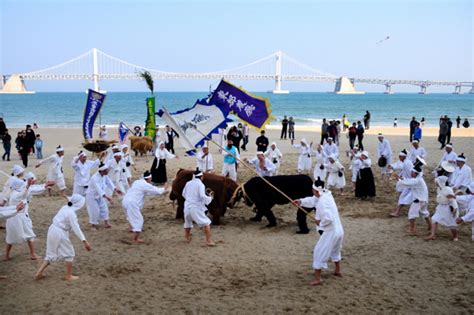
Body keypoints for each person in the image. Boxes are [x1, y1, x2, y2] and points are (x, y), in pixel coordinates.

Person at [294, 182, 343, 286]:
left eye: (313, 190)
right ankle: (337, 270)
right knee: (335, 250)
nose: (312, 191)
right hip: (339, 230)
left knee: (319, 251)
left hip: (331, 231)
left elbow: (328, 218)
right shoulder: (326, 194)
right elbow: (313, 200)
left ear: (316, 191)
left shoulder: (322, 202)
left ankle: (318, 278)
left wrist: (320, 222)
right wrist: (301, 201)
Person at [35, 194, 92, 281]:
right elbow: (76, 228)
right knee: (70, 253)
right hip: (60, 232)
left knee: (50, 253)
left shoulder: (64, 207)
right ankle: (69, 276)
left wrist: (66, 195)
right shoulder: (71, 214)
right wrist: (84, 241)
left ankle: (39, 272)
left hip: (52, 229)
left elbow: (70, 200)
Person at [4, 174, 53, 261]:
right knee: (26, 236)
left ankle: (8, 255)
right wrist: (27, 185)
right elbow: (23, 194)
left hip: (16, 218)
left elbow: (32, 189)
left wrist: (44, 185)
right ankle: (32, 254)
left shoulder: (14, 192)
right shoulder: (16, 194)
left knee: (13, 237)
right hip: (18, 218)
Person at [122, 171, 168, 243]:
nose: (151, 179)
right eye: (151, 178)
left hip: (125, 200)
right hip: (132, 203)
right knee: (139, 220)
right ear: (149, 178)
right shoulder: (145, 185)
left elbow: (147, 192)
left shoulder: (137, 182)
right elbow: (157, 191)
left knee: (130, 215)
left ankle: (131, 228)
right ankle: (135, 239)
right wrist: (164, 188)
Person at [395, 165, 431, 236]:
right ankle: (430, 226)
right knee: (425, 213)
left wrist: (398, 179)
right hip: (424, 199)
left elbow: (408, 182)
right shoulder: (419, 179)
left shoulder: (417, 180)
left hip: (418, 200)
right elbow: (409, 181)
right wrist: (401, 179)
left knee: (412, 214)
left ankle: (412, 230)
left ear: (415, 173)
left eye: (412, 172)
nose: (411, 173)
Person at [183, 169, 215, 246]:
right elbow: (202, 196)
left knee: (187, 223)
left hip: (187, 206)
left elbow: (183, 194)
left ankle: (187, 238)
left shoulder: (188, 183)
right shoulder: (200, 185)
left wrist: (190, 199)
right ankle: (209, 241)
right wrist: (210, 198)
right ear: (201, 177)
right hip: (195, 207)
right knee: (206, 223)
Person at [86, 163, 120, 230]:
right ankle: (93, 225)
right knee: (94, 211)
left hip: (100, 196)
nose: (107, 171)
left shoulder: (105, 175)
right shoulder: (94, 178)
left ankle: (106, 223)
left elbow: (109, 182)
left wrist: (115, 189)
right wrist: (107, 197)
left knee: (104, 208)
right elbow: (98, 188)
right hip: (92, 197)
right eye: (106, 170)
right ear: (101, 171)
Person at [425, 176, 459, 241]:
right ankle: (432, 234)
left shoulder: (448, 189)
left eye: (437, 182)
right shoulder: (439, 188)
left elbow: (453, 200)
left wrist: (455, 208)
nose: (436, 183)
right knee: (434, 219)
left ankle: (455, 236)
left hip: (448, 208)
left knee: (451, 224)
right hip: (441, 207)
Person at [389, 149, 414, 217]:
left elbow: (411, 174)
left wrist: (400, 178)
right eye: (399, 156)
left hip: (409, 183)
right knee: (402, 196)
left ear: (404, 157)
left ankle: (397, 212)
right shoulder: (404, 162)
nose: (399, 157)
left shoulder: (407, 163)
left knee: (403, 197)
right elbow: (401, 168)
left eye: (400, 156)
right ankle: (399, 210)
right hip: (406, 182)